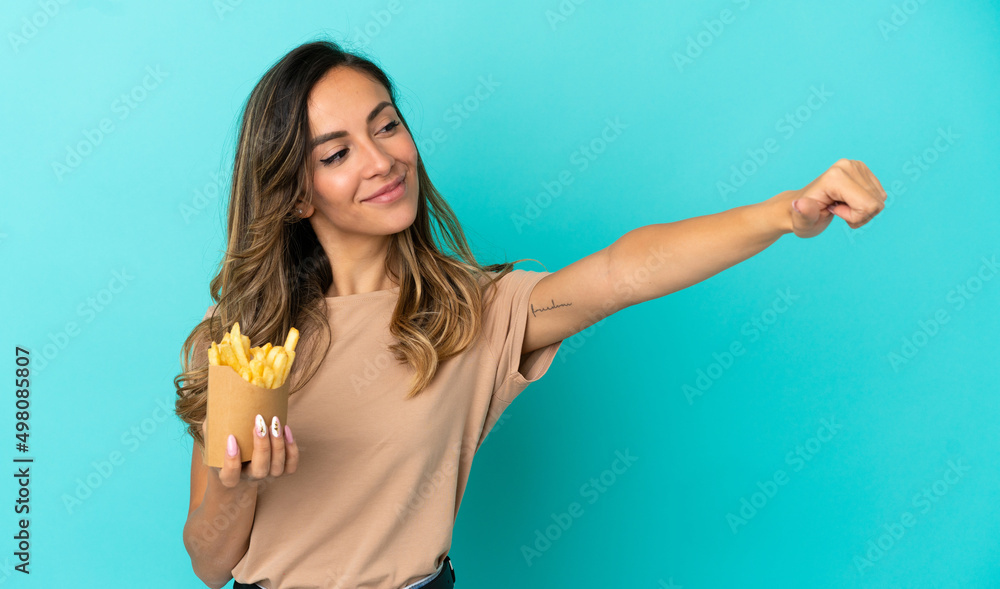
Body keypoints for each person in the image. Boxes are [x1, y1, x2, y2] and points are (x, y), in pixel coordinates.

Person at [174, 38, 886, 589]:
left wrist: (785, 213)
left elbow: (622, 271)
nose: (382, 159)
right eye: (337, 153)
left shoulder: (468, 315)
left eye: (386, 125)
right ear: (298, 194)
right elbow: (211, 562)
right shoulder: (234, 344)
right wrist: (242, 490)